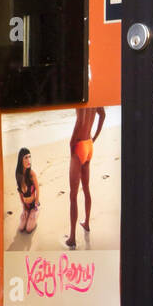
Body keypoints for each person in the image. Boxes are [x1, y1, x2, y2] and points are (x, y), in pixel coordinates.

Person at [66, 106, 105, 248]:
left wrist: (72, 143)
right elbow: (103, 115)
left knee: (73, 196)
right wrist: (94, 137)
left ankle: (72, 238)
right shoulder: (96, 96)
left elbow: (81, 120)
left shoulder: (81, 97)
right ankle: (87, 223)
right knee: (86, 188)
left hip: (79, 145)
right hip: (89, 144)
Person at [15, 148, 39, 233]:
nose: (29, 160)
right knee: (21, 228)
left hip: (34, 206)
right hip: (26, 207)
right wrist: (24, 208)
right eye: (26, 157)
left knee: (28, 229)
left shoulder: (32, 174)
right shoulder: (18, 176)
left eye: (29, 157)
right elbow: (20, 193)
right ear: (21, 159)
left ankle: (35, 216)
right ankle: (28, 215)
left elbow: (37, 189)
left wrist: (36, 204)